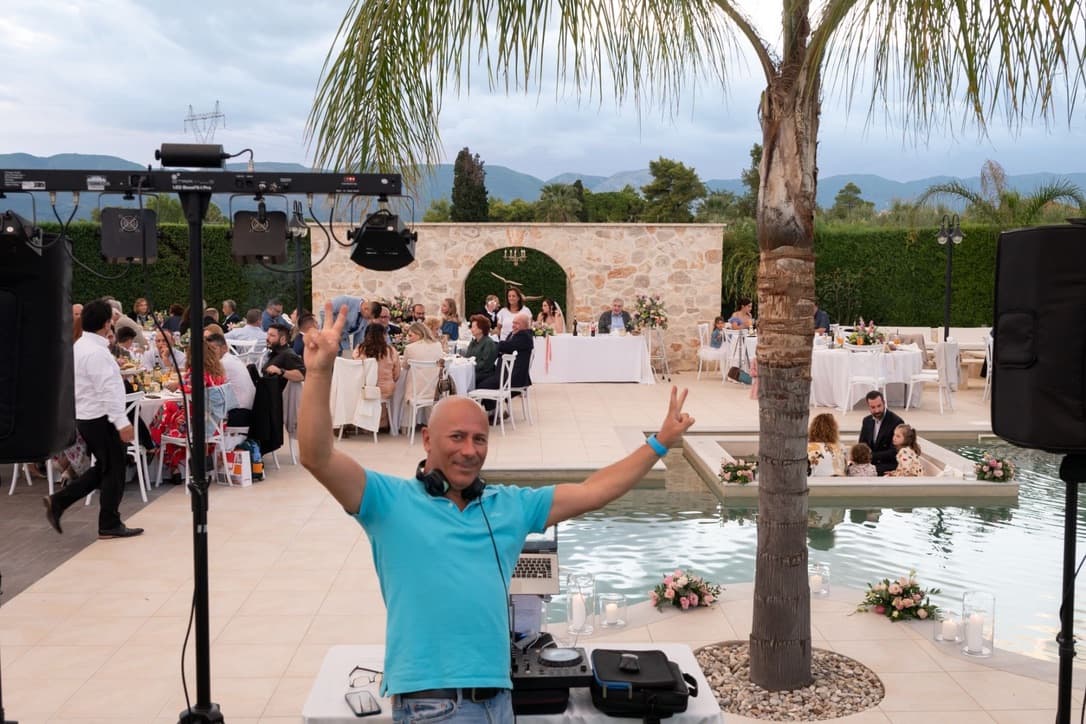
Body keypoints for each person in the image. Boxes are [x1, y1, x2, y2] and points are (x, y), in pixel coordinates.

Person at [297, 301, 695, 722]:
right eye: (457, 437)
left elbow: (594, 490)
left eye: (480, 439)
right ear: (428, 440)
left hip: (500, 702)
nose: (470, 451)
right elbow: (317, 456)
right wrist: (320, 373)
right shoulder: (386, 502)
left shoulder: (509, 506)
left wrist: (660, 443)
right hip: (432, 705)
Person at [43, 300, 144, 539]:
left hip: (89, 416)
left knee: (106, 468)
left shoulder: (80, 346)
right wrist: (122, 422)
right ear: (107, 323)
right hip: (101, 418)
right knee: (115, 470)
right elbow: (106, 390)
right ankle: (108, 523)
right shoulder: (95, 352)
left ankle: (59, 502)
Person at [149, 339, 230, 483]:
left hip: (198, 427)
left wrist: (177, 385)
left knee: (167, 412)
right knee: (171, 411)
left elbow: (188, 391)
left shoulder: (197, 374)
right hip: (217, 424)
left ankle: (156, 452)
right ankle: (173, 465)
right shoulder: (219, 373)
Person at [476, 311, 533, 414]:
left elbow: (506, 346)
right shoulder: (516, 334)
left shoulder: (524, 336)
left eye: (517, 323)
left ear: (524, 325)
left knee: (482, 384)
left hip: (513, 377)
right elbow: (505, 348)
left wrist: (489, 343)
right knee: (480, 377)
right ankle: (494, 411)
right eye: (513, 323)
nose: (513, 326)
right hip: (507, 373)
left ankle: (494, 413)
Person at [353, 323, 401, 428]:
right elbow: (397, 374)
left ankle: (363, 423)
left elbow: (355, 371)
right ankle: (382, 423)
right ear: (384, 335)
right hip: (385, 389)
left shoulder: (360, 350)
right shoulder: (391, 351)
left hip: (364, 389)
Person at [206, 332, 255, 426]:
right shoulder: (232, 359)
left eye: (213, 349)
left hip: (239, 414)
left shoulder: (223, 363)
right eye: (208, 350)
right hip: (248, 410)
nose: (210, 353)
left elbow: (206, 384)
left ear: (224, 348)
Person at [858, 390, 906, 476]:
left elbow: (894, 451)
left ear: (884, 403)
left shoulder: (896, 422)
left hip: (887, 465)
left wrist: (871, 456)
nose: (877, 410)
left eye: (879, 406)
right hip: (869, 464)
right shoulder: (866, 421)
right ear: (868, 407)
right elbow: (861, 444)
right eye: (873, 407)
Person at [402, 321, 444, 403]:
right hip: (436, 391)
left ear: (419, 334)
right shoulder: (438, 345)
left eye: (410, 335)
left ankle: (402, 415)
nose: (408, 338)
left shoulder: (410, 348)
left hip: (416, 393)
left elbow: (405, 367)